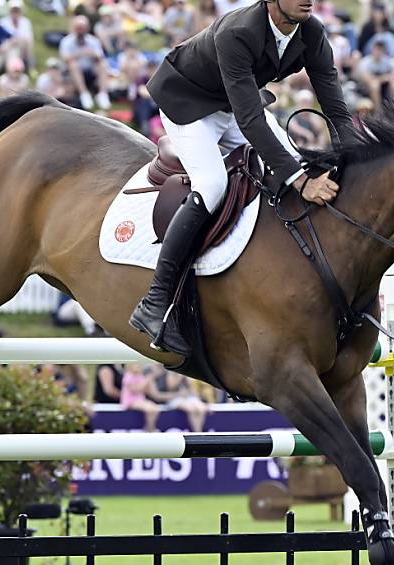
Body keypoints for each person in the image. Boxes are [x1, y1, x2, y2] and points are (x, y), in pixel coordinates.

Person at [133, 0, 350, 355]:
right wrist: (302, 183)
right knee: (213, 184)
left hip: (233, 104)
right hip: (189, 104)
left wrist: (353, 158)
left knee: (295, 160)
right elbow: (252, 122)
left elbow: (335, 105)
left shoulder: (311, 31)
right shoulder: (239, 31)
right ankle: (155, 302)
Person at [59, 15, 111, 111]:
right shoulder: (67, 41)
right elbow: (66, 59)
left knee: (102, 64)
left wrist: (93, 55)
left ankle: (103, 94)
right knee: (73, 64)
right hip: (72, 74)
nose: (80, 30)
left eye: (82, 28)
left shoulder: (93, 41)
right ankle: (84, 93)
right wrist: (80, 54)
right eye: (78, 27)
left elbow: (101, 56)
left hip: (91, 72)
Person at [121, 363, 161, 432]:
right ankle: (150, 429)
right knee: (150, 409)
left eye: (138, 365)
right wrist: (148, 380)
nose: (137, 367)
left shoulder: (141, 376)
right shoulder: (128, 376)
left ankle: (150, 427)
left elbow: (146, 391)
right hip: (130, 401)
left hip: (140, 400)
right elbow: (135, 389)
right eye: (135, 365)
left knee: (155, 408)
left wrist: (151, 380)